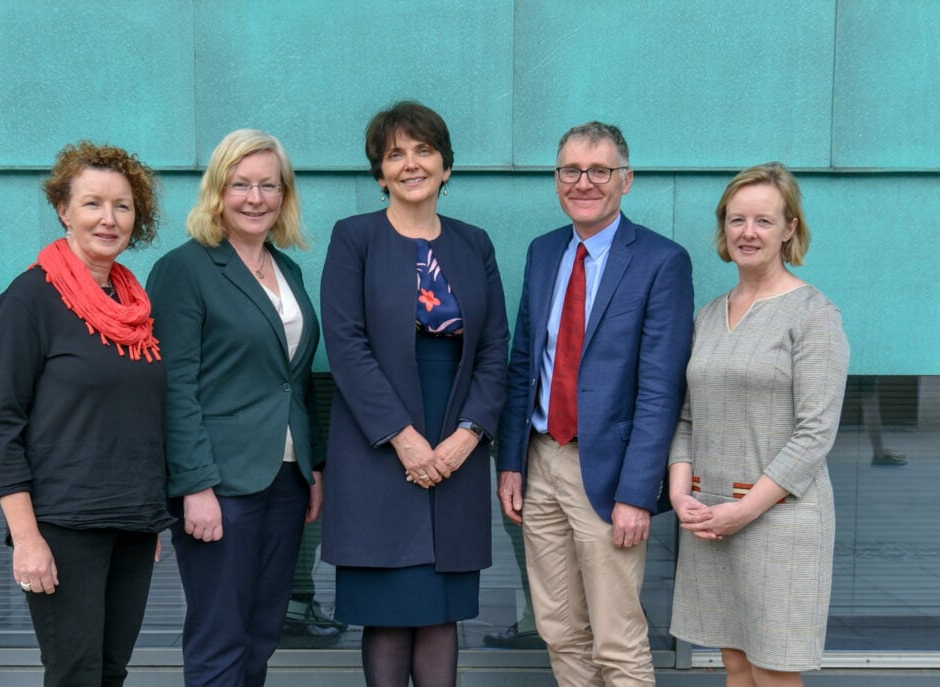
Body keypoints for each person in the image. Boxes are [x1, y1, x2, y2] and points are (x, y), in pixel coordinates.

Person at [497, 121, 694, 687]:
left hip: (607, 473)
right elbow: (522, 365)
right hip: (540, 460)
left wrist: (638, 492)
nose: (583, 182)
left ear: (625, 180)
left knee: (617, 640)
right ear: (557, 179)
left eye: (599, 170)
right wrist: (511, 461)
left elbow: (661, 391)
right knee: (558, 629)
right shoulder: (542, 253)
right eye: (570, 170)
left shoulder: (661, 261)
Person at [320, 100, 509, 687]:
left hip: (456, 440)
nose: (410, 164)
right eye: (394, 154)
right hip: (378, 447)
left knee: (439, 615)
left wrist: (466, 438)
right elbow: (346, 346)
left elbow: (495, 349)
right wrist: (405, 440)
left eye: (423, 150)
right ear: (379, 173)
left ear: (446, 167)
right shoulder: (354, 238)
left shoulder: (474, 243)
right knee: (388, 615)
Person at [0, 141, 171, 686]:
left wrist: (147, 510)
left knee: (111, 671)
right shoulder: (28, 301)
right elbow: (1, 426)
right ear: (63, 209)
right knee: (75, 673)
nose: (108, 219)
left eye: (122, 206)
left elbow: (139, 415)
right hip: (64, 524)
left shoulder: (134, 308)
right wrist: (26, 538)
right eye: (92, 204)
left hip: (132, 521)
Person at [146, 129, 323, 686]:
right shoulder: (186, 269)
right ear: (217, 192)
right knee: (220, 636)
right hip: (220, 484)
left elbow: (294, 381)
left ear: (284, 194)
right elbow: (176, 386)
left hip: (286, 479)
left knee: (262, 631)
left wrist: (312, 466)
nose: (255, 198)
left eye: (268, 186)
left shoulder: (286, 270)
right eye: (241, 184)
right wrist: (195, 486)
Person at [668, 163, 850, 686]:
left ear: (790, 228)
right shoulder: (709, 314)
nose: (748, 232)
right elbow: (686, 417)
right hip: (713, 519)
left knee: (773, 672)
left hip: (780, 522)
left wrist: (742, 512)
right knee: (735, 664)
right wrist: (683, 496)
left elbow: (815, 433)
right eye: (737, 219)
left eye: (764, 221)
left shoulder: (813, 314)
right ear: (724, 227)